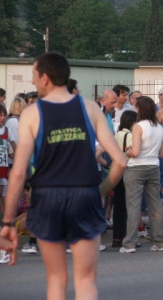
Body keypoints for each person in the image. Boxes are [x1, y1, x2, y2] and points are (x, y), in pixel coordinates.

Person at [0, 52, 126, 299]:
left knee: (56, 280)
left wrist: (7, 222)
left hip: (47, 197)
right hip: (84, 194)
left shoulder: (32, 114)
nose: (33, 82)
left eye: (34, 77)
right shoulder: (90, 108)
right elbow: (120, 161)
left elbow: (18, 172)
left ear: (45, 78)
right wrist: (98, 191)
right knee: (86, 280)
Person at [121, 96, 163, 253]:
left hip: (136, 169)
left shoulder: (138, 126)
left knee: (133, 206)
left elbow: (135, 152)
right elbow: (162, 154)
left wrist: (127, 150)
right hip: (153, 167)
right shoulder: (160, 127)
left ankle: (129, 244)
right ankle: (160, 242)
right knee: (155, 206)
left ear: (139, 109)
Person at [112, 110, 137, 248]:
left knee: (118, 205)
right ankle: (127, 237)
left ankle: (116, 237)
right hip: (128, 170)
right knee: (130, 205)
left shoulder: (117, 135)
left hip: (116, 171)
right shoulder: (131, 135)